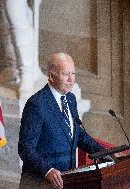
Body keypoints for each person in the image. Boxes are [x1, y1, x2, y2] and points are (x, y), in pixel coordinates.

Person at [18, 53, 105, 189]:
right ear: (52, 76)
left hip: (68, 180)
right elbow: (25, 148)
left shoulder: (70, 99)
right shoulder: (36, 104)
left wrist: (104, 153)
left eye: (73, 74)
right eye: (66, 74)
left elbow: (78, 135)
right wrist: (47, 171)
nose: (71, 80)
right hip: (40, 183)